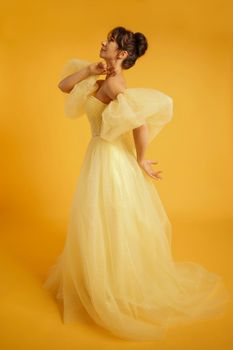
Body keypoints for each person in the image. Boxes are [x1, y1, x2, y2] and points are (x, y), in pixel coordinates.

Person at [43, 26, 231, 341]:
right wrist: (89, 69)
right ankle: (103, 278)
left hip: (110, 158)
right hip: (100, 153)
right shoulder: (101, 76)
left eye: (110, 41)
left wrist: (142, 158)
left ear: (122, 53)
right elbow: (63, 86)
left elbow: (140, 123)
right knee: (101, 219)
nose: (103, 42)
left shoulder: (115, 85)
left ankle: (115, 285)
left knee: (109, 218)